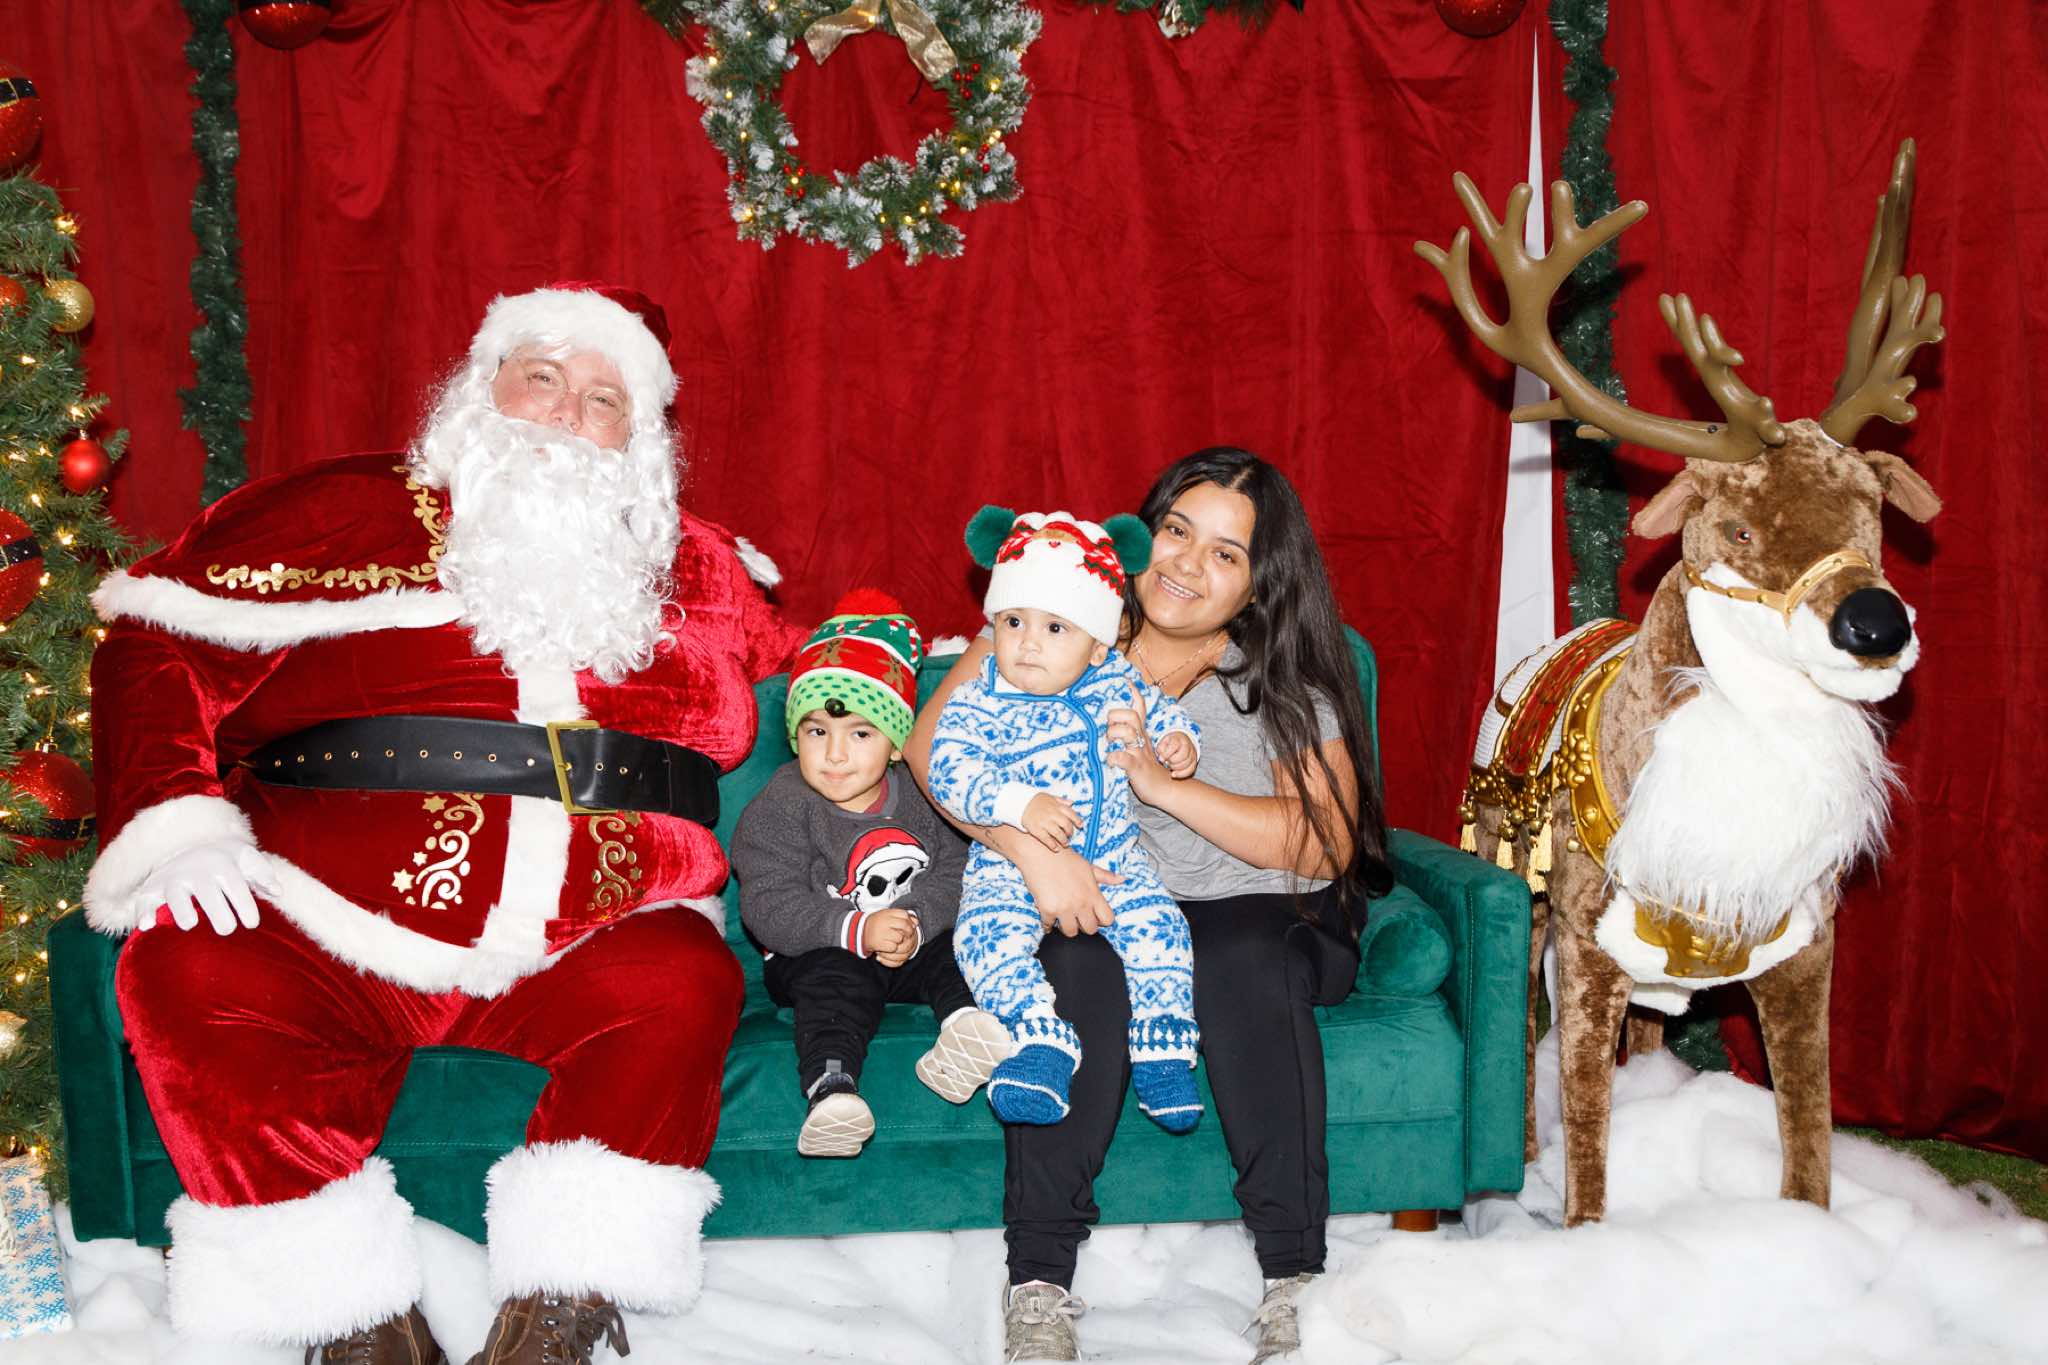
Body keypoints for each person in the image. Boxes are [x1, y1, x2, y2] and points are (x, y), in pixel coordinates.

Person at [84, 283, 807, 1365]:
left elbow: (830, 671)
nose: (566, 414)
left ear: (641, 436)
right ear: (483, 386)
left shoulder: (697, 567)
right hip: (327, 916)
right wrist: (176, 822)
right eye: (542, 377)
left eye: (603, 398)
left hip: (594, 933)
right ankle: (353, 1322)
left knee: (683, 981)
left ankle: (556, 1312)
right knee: (184, 962)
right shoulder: (340, 509)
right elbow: (153, 638)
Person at [905, 453, 1392, 1364]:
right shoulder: (1058, 614)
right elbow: (932, 747)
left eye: (1226, 554)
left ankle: (1293, 1272)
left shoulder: (1276, 677)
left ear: (1258, 583)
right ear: (1144, 535)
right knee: (1071, 960)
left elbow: (1323, 842)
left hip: (1257, 906)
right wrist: (1031, 853)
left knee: (1241, 956)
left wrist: (1164, 788)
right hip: (1104, 890)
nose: (1186, 564)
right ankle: (1038, 1286)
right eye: (1177, 531)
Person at [925, 509, 1204, 1134]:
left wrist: (1177, 742)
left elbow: (1162, 714)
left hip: (1118, 862)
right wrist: (1018, 805)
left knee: (1164, 934)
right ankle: (1038, 1040)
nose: (1027, 643)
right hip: (1007, 869)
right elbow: (949, 770)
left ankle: (1163, 1049)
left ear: (1097, 645)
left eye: (1055, 627)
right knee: (983, 942)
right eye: (1013, 621)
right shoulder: (979, 699)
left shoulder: (1118, 681)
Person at [730, 590, 1006, 1158]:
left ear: (898, 744)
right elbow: (768, 904)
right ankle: (832, 1089)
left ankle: (963, 1030)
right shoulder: (782, 804)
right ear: (796, 737)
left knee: (961, 944)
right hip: (815, 949)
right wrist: (857, 929)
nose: (835, 755)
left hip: (910, 942)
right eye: (816, 732)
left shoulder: (924, 797)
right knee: (835, 979)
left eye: (860, 734)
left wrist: (915, 921)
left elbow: (959, 870)